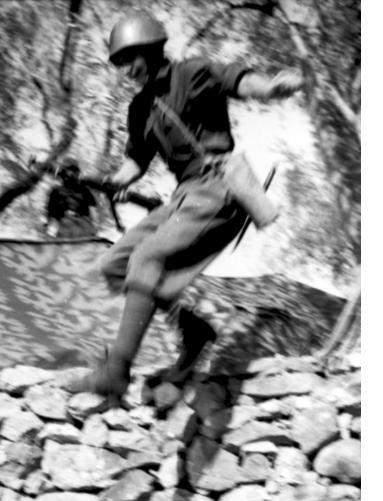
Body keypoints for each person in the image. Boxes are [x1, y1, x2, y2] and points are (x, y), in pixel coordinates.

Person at [66, 11, 304, 400]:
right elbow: (135, 164)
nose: (127, 70)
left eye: (131, 59)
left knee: (147, 258)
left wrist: (271, 88)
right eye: (120, 63)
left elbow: (239, 80)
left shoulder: (191, 73)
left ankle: (117, 371)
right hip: (184, 195)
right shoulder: (138, 110)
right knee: (115, 263)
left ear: (151, 49)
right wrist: (103, 180)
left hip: (219, 187)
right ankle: (193, 330)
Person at [44, 159, 98, 238]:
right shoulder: (56, 191)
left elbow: (93, 211)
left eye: (73, 171)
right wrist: (51, 230)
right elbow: (51, 215)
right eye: (68, 171)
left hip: (83, 226)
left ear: (77, 173)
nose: (71, 174)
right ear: (63, 172)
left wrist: (95, 228)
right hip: (63, 227)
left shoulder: (85, 191)